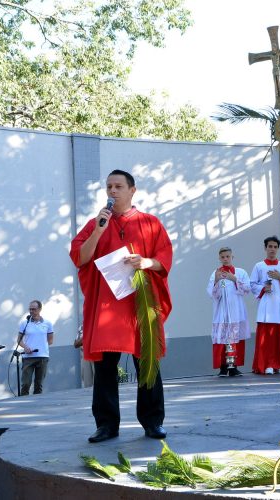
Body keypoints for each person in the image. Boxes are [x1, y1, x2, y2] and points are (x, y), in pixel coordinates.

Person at [70, 169, 173, 443]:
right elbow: (80, 257)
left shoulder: (150, 223)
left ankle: (153, 421)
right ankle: (106, 425)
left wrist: (146, 262)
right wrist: (98, 231)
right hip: (107, 307)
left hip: (139, 302)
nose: (112, 191)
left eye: (118, 186)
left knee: (147, 361)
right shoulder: (96, 224)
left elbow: (164, 258)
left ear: (132, 190)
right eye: (108, 187)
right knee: (104, 367)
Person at [207, 247, 251, 377]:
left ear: (232, 257)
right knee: (222, 339)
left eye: (228, 256)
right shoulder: (215, 273)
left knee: (233, 339)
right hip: (222, 312)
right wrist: (216, 281)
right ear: (219, 258)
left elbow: (248, 289)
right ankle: (222, 367)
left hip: (236, 311)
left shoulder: (241, 272)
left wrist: (234, 279)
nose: (225, 259)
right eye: (223, 257)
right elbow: (212, 294)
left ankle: (233, 366)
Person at [250, 236, 280, 375]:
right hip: (266, 307)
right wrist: (263, 288)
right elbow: (252, 284)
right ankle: (267, 364)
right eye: (270, 247)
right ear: (265, 248)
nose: (272, 249)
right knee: (266, 339)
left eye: (275, 247)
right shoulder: (259, 266)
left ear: (278, 249)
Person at [16, 300, 54, 395]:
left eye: (34, 309)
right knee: (25, 383)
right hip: (28, 357)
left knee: (39, 384)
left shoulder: (47, 323)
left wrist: (41, 346)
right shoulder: (24, 323)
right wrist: (25, 347)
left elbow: (50, 340)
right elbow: (19, 340)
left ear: (40, 309)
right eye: (30, 309)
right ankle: (23, 405)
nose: (31, 311)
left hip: (42, 356)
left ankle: (37, 407)